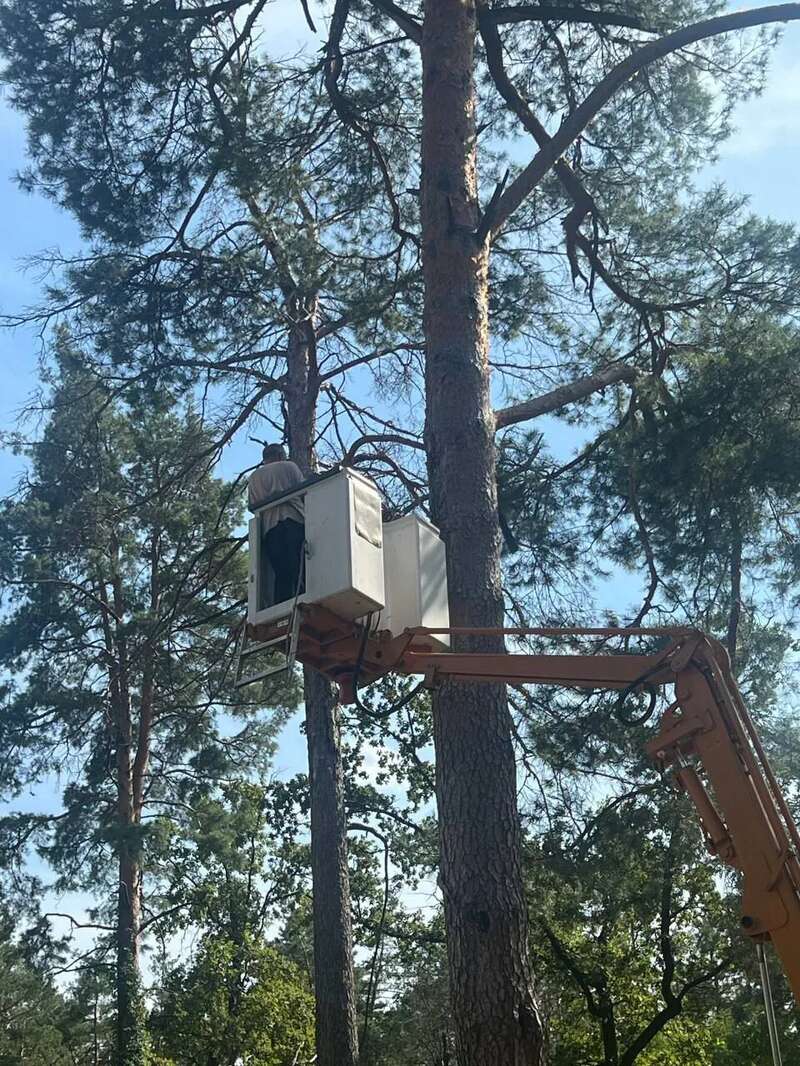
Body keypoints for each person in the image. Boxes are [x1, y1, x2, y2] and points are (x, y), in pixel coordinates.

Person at [248, 444, 306, 605]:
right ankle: (303, 598)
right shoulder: (289, 467)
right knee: (300, 566)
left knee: (281, 572)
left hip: (269, 529)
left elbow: (252, 505)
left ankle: (282, 605)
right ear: (281, 455)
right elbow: (304, 491)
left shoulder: (254, 477)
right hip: (293, 520)